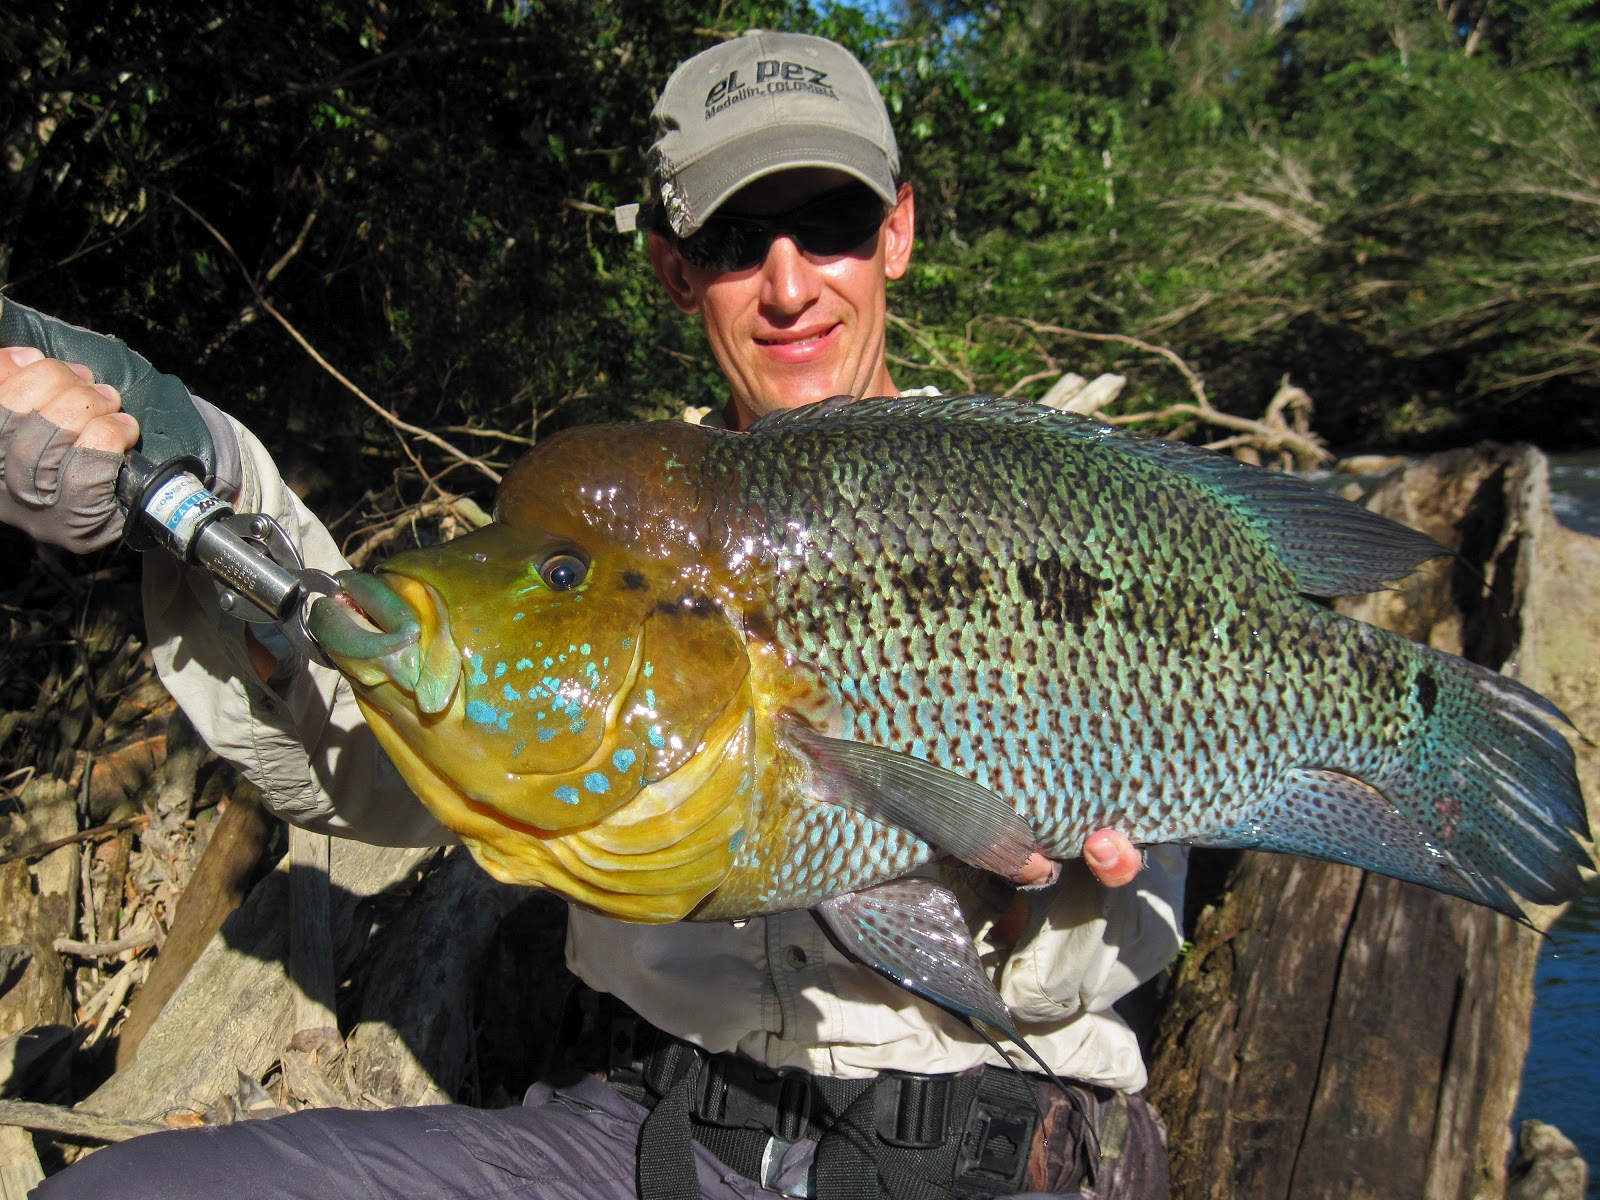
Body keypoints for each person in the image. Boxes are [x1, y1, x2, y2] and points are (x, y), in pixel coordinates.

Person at [3, 30, 1183, 1199]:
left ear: (897, 232)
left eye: (828, 222)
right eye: (731, 239)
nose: (787, 284)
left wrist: (1041, 885)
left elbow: (1082, 949)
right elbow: (380, 722)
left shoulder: (1045, 523)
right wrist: (184, 458)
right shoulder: (607, 533)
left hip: (997, 1154)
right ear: (674, 269)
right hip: (652, 1141)